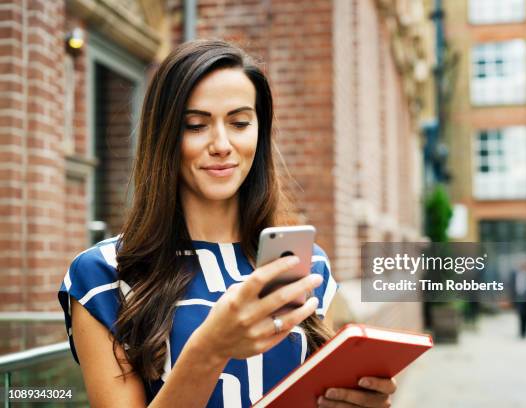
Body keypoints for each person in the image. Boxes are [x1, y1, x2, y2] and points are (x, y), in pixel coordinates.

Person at [57, 40, 397, 407]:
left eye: (239, 123)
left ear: (259, 132)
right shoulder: (102, 275)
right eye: (196, 125)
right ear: (165, 136)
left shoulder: (303, 265)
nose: (222, 144)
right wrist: (210, 349)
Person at [509, 255, 526, 338]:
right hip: (519, 297)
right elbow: (512, 286)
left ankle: (525, 331)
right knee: (520, 314)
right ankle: (521, 332)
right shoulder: (514, 274)